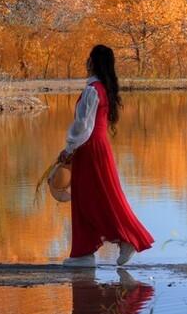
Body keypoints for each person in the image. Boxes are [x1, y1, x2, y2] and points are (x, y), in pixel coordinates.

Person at [58, 44, 154, 267]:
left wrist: (69, 148)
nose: (86, 62)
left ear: (93, 62)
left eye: (89, 58)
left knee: (98, 199)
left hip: (90, 150)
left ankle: (125, 239)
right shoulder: (102, 88)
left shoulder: (93, 90)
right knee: (89, 199)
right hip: (95, 149)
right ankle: (84, 253)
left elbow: (83, 126)